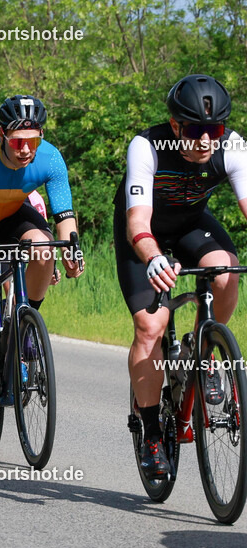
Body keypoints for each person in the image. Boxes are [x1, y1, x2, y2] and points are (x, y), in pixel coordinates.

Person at [116, 74, 247, 477]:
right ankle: (152, 431)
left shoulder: (233, 146)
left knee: (225, 273)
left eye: (215, 130)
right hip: (144, 234)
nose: (207, 140)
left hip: (191, 224)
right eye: (196, 131)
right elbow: (137, 220)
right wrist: (153, 256)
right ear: (176, 126)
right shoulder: (147, 146)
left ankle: (205, 352)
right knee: (151, 326)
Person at [0, 95, 83, 443]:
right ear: (2, 134)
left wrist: (71, 249)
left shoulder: (50, 157)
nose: (26, 150)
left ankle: (25, 324)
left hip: (13, 216)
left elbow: (64, 217)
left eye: (32, 141)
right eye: (18, 141)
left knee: (44, 247)